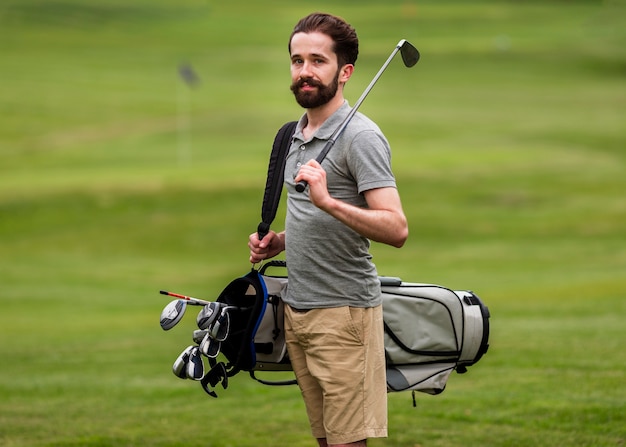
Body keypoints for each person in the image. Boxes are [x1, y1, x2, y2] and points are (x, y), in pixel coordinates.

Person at [248, 12, 408, 447]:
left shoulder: (362, 137)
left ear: (345, 72)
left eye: (318, 61)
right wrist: (279, 240)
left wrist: (329, 202)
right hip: (297, 312)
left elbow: (396, 228)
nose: (304, 72)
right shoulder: (292, 135)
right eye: (297, 61)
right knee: (326, 440)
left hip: (344, 316)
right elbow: (310, 215)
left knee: (347, 443)